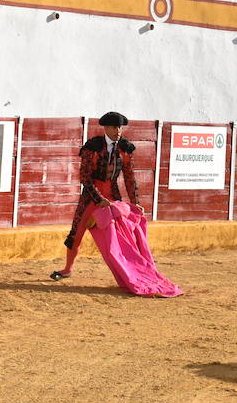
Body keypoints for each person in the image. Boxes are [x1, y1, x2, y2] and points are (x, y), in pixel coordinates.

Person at [51, 111, 181, 299]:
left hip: (112, 196)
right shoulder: (93, 147)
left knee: (123, 237)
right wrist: (98, 199)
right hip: (91, 197)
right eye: (114, 127)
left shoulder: (125, 149)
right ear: (106, 128)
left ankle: (129, 273)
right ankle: (67, 269)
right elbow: (85, 178)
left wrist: (135, 202)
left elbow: (129, 177)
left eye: (120, 127)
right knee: (76, 234)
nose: (118, 131)